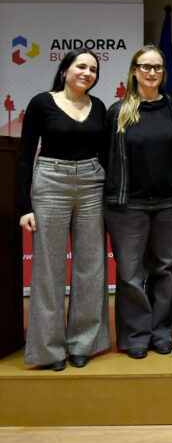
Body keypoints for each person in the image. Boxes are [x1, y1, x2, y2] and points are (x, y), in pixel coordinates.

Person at [18, 48, 108, 370]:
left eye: (93, 69)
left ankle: (83, 342)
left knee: (91, 266)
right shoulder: (42, 103)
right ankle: (49, 350)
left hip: (91, 183)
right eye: (81, 66)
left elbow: (106, 153)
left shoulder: (98, 107)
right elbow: (26, 154)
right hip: (50, 183)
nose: (87, 73)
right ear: (65, 69)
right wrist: (24, 205)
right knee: (49, 269)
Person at [104, 45, 172, 358]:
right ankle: (135, 336)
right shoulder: (118, 111)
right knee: (129, 274)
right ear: (135, 71)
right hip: (128, 206)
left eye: (157, 67)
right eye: (145, 67)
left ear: (163, 73)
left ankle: (161, 333)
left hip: (170, 204)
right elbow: (106, 158)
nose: (151, 72)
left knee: (165, 272)